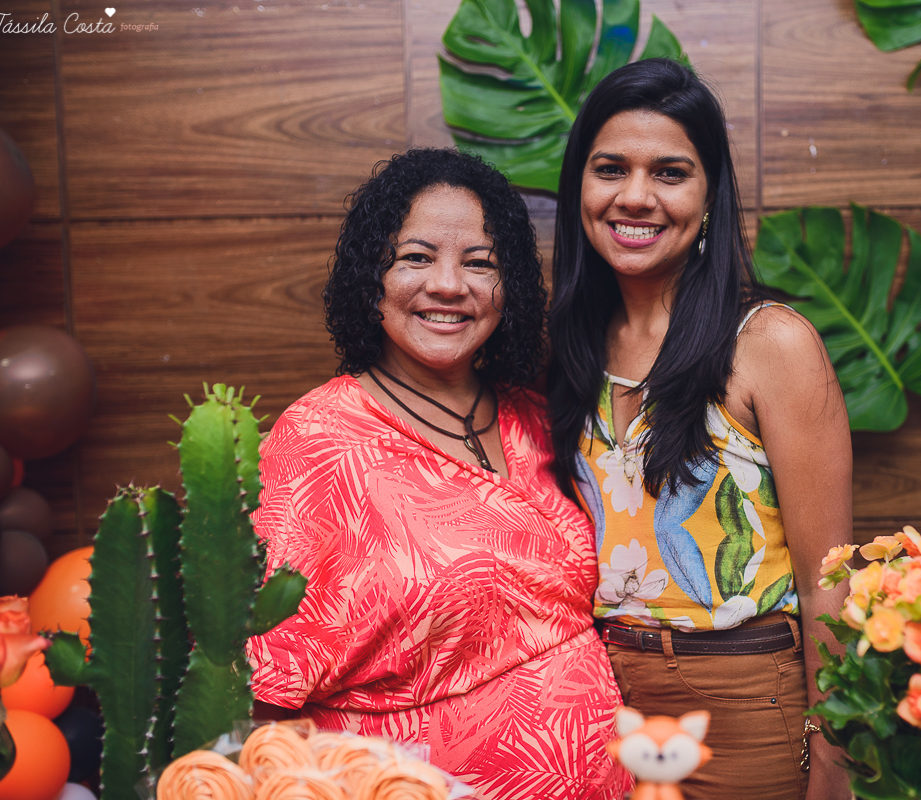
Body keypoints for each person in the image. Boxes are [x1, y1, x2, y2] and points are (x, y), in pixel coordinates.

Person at [247, 148, 630, 800]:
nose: (449, 284)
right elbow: (266, 685)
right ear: (372, 276)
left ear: (507, 288)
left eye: (479, 263)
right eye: (417, 258)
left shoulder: (535, 414)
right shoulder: (317, 441)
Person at [547, 59, 854, 800]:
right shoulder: (564, 351)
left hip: (747, 704)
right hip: (601, 707)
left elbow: (829, 583)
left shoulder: (768, 343)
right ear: (578, 189)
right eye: (610, 168)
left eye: (671, 173)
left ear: (710, 195)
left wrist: (836, 764)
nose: (635, 197)